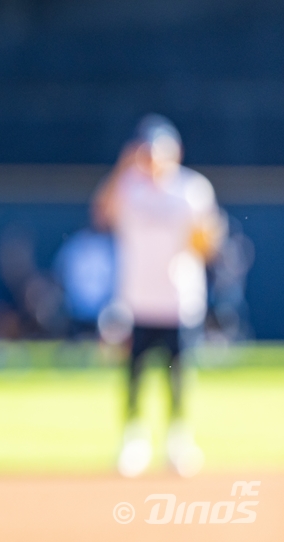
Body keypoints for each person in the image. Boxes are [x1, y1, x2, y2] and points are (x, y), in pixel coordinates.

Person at [92, 114, 225, 478]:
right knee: (134, 377)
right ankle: (133, 442)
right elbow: (101, 213)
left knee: (177, 376)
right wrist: (121, 169)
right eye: (146, 150)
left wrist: (207, 239)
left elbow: (209, 242)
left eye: (158, 150)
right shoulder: (128, 187)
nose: (151, 158)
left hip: (179, 300)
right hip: (136, 300)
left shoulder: (192, 189)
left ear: (175, 152)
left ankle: (177, 441)